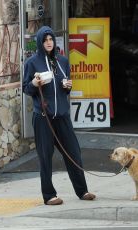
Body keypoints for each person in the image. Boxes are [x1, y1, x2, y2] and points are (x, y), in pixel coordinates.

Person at [23, 26, 96, 205]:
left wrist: (68, 86)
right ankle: (49, 196)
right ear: (40, 42)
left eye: (50, 39)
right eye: (45, 40)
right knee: (45, 156)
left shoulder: (62, 61)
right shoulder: (32, 63)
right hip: (43, 117)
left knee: (74, 152)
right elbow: (26, 88)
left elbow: (65, 89)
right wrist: (34, 82)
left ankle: (82, 191)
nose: (48, 42)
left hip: (62, 115)